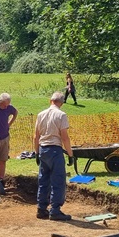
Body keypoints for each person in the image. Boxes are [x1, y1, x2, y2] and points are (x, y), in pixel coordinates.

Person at [33, 91, 75, 221]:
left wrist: (37, 153)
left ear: (50, 100)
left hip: (43, 149)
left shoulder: (41, 115)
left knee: (43, 180)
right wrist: (70, 154)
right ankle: (55, 210)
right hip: (55, 150)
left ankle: (41, 208)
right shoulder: (61, 115)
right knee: (58, 180)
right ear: (61, 103)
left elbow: (36, 136)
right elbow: (65, 137)